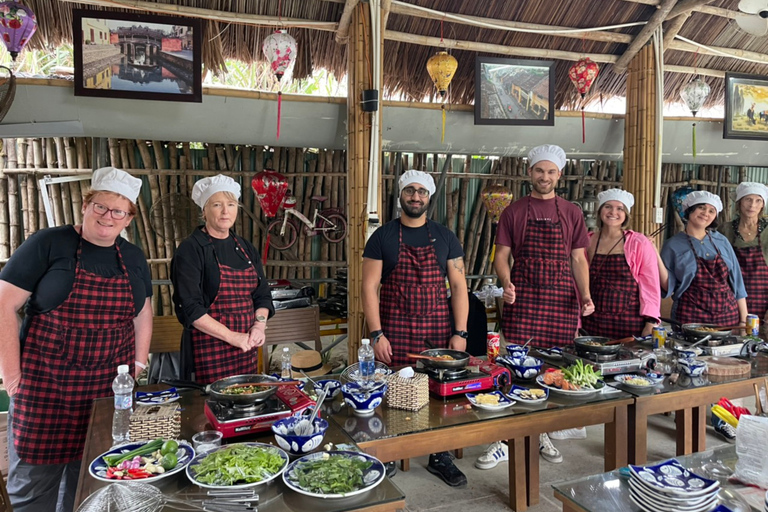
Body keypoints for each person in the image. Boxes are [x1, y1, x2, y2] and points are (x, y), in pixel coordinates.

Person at [0, 166, 152, 512]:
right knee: (32, 495)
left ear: (128, 218)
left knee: (91, 487)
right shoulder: (48, 243)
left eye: (118, 211)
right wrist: (12, 379)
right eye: (100, 206)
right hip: (45, 392)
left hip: (104, 394)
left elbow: (142, 312)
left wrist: (139, 363)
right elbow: (3, 306)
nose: (107, 217)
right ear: (86, 204)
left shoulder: (132, 257)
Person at [480, 144, 594, 469]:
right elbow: (502, 255)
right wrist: (506, 283)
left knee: (550, 368)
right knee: (513, 364)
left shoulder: (571, 212)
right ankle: (501, 439)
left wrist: (585, 295)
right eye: (539, 171)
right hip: (524, 296)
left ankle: (542, 432)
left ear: (559, 175)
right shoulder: (513, 211)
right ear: (530, 173)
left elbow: (578, 259)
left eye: (551, 172)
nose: (545, 177)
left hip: (561, 299)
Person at [362, 169, 469, 487]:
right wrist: (376, 334)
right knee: (392, 391)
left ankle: (440, 455)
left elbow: (459, 287)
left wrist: (460, 333)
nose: (416, 196)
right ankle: (391, 452)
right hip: (394, 329)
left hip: (437, 330)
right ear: (401, 195)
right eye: (410, 190)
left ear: (429, 197)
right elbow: (369, 288)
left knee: (439, 393)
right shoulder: (382, 236)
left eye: (422, 191)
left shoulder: (445, 237)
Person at [661, 190, 748, 442]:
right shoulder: (673, 245)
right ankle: (689, 417)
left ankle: (720, 419)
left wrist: (742, 320)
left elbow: (737, 283)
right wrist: (656, 261)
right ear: (688, 212)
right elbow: (668, 287)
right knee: (693, 369)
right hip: (690, 313)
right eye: (700, 209)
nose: (705, 214)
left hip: (725, 314)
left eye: (711, 211)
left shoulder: (721, 241)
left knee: (721, 371)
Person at [171, 174, 274, 384]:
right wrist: (231, 337)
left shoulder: (246, 248)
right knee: (206, 411)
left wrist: (258, 326)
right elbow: (190, 307)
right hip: (207, 351)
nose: (226, 211)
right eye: (217, 204)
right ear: (204, 211)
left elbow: (262, 295)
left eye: (231, 204)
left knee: (244, 398)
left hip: (245, 349)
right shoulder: (191, 249)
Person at [581, 189, 663, 338]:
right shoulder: (588, 240)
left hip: (630, 322)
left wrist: (651, 321)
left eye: (620, 208)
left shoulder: (639, 242)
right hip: (593, 321)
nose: (613, 212)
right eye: (608, 206)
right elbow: (579, 280)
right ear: (600, 210)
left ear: (626, 214)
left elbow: (650, 285)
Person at [720, 182, 768, 336]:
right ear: (739, 202)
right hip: (731, 297)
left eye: (758, 200)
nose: (752, 205)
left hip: (763, 298)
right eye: (748, 199)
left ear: (762, 205)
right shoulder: (725, 229)